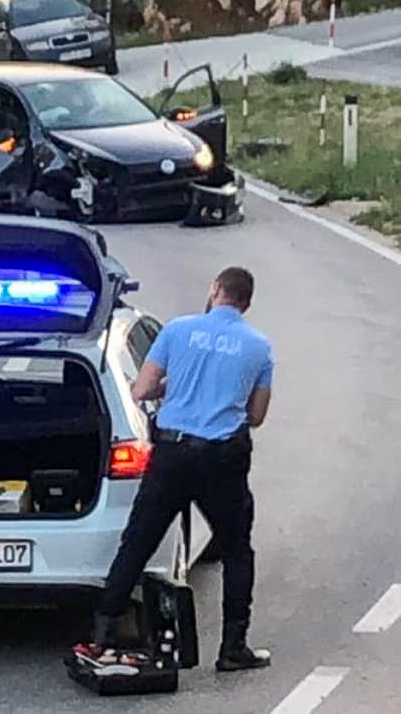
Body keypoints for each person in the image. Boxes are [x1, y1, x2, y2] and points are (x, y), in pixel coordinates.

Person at [88, 267, 274, 673]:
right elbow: (257, 415)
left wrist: (171, 387)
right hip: (223, 459)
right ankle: (232, 647)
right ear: (246, 302)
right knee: (237, 550)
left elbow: (140, 390)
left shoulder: (177, 330)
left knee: (136, 544)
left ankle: (100, 637)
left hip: (171, 455)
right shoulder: (259, 347)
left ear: (215, 290)